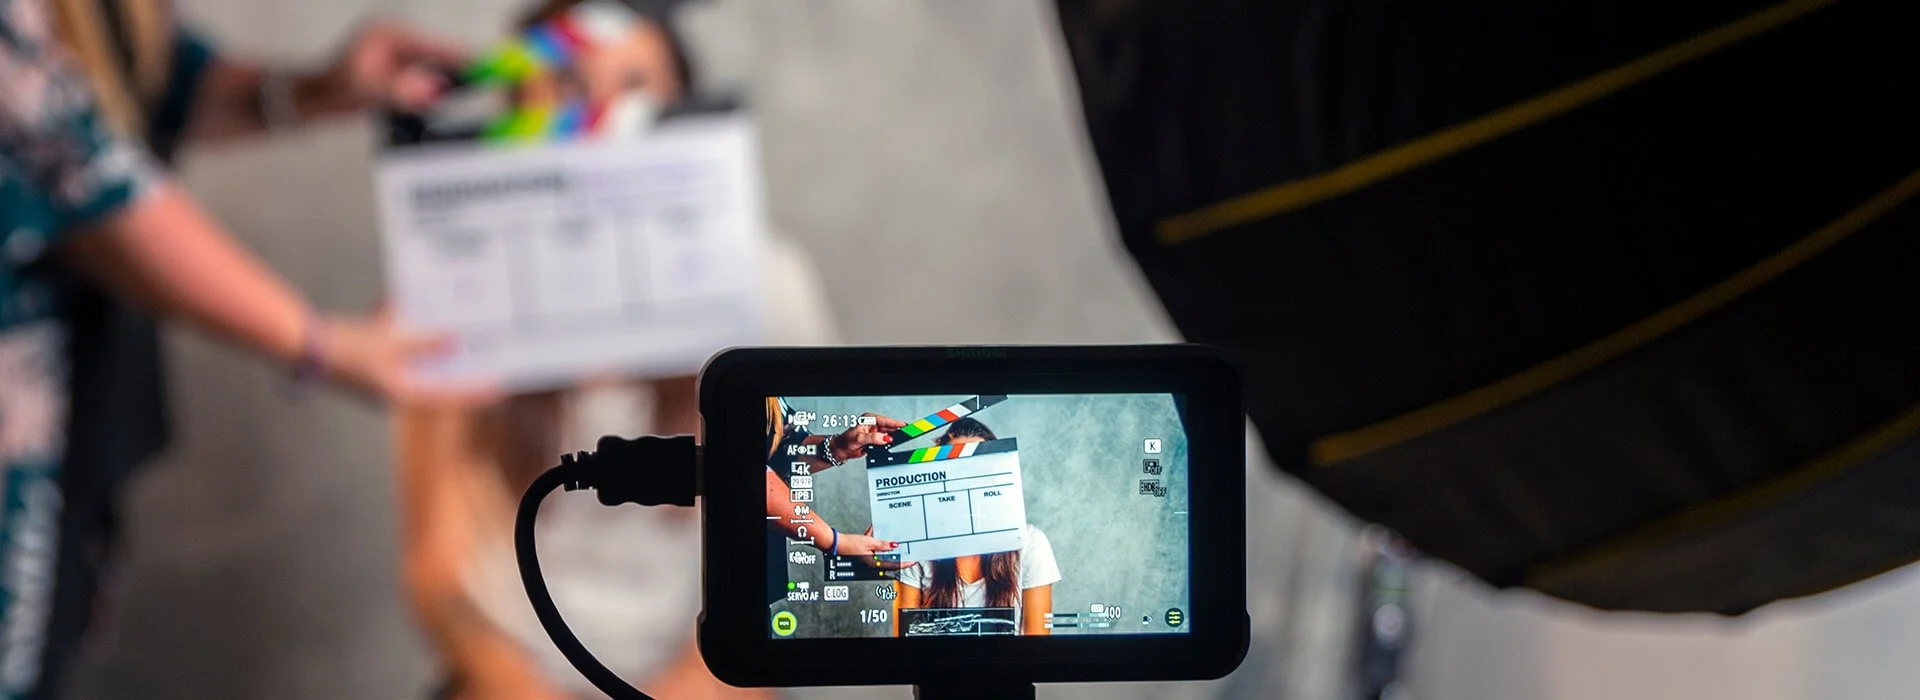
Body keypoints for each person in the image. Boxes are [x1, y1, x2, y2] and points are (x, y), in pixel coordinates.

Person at [2, 1, 474, 697]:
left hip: (79, 411)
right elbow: (83, 173)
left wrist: (315, 90)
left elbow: (153, 86)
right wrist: (324, 344)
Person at [396, 2, 839, 697]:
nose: (603, 108)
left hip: (715, 674)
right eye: (569, 84)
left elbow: (802, 553)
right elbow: (438, 568)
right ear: (516, 104)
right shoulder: (450, 287)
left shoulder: (766, 284)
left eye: (635, 84)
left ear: (680, 108)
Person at [892, 417, 1060, 637]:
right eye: (954, 470)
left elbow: (1037, 643)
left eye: (976, 470)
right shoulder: (915, 544)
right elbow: (905, 639)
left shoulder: (1030, 543)